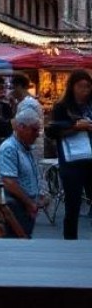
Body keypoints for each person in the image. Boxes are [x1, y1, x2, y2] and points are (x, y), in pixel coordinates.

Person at [44, 68, 92, 240]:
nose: (84, 90)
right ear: (72, 87)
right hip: (72, 161)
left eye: (87, 86)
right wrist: (76, 127)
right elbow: (52, 131)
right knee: (72, 205)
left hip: (90, 159)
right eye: (80, 86)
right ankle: (70, 242)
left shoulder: (90, 105)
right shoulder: (62, 107)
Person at [0, 107, 46, 238]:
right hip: (16, 208)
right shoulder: (9, 148)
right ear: (21, 127)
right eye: (34, 130)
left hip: (24, 207)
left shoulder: (25, 147)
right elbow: (8, 182)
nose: (37, 134)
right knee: (18, 241)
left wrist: (38, 195)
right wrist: (29, 203)